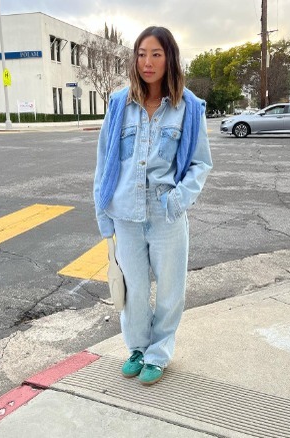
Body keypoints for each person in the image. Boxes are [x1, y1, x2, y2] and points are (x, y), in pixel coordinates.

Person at [93, 26, 213, 386]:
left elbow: (200, 163)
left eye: (156, 54)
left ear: (169, 58)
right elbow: (104, 160)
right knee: (134, 290)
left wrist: (177, 200)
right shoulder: (118, 104)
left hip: (166, 212)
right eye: (141, 53)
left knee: (170, 288)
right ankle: (137, 348)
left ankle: (159, 353)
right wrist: (103, 211)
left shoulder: (187, 106)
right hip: (124, 210)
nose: (147, 62)